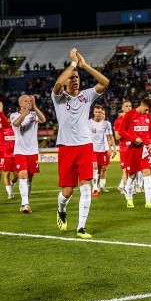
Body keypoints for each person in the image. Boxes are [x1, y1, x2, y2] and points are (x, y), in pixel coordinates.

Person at [51, 48, 110, 239]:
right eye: (72, 77)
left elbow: (105, 82)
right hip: (66, 148)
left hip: (85, 146)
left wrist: (85, 66)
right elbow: (58, 83)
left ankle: (81, 227)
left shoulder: (87, 95)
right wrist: (73, 64)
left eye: (77, 77)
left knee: (86, 185)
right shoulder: (58, 97)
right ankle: (61, 208)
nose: (75, 79)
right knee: (67, 192)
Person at [9, 94, 47, 214]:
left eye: (29, 100)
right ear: (20, 104)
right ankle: (25, 204)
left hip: (33, 151)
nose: (28, 102)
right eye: (26, 101)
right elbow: (16, 124)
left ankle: (26, 200)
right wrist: (25, 112)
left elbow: (43, 120)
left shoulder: (34, 115)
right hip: (20, 151)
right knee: (23, 175)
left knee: (29, 177)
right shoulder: (14, 115)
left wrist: (34, 107)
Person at [117, 97, 151, 208]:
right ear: (142, 105)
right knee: (132, 175)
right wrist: (134, 139)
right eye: (147, 109)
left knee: (147, 172)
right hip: (133, 149)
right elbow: (121, 131)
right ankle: (129, 199)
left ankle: (148, 202)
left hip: (145, 149)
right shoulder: (129, 115)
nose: (147, 112)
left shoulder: (148, 116)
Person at [88, 104, 116, 195]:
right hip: (92, 149)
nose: (98, 114)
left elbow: (108, 137)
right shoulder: (88, 123)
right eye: (96, 112)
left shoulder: (106, 124)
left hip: (102, 150)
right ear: (93, 112)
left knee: (100, 169)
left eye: (99, 112)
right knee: (95, 167)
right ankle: (95, 189)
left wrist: (110, 148)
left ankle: (98, 185)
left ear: (102, 113)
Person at [114, 100, 133, 193]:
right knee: (125, 170)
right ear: (122, 108)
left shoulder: (135, 119)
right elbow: (117, 136)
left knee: (134, 169)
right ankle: (126, 188)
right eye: (126, 106)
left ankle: (129, 187)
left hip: (134, 146)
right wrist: (125, 131)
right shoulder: (118, 121)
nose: (128, 108)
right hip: (124, 147)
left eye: (130, 106)